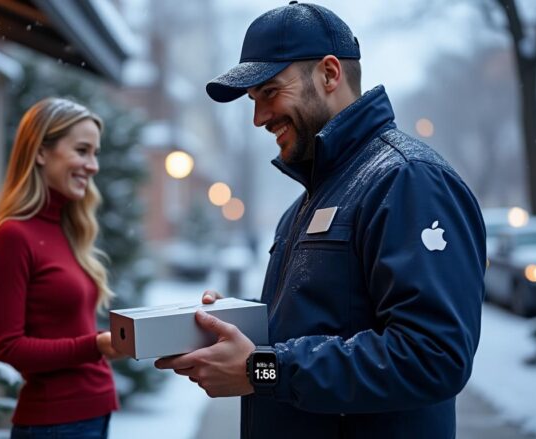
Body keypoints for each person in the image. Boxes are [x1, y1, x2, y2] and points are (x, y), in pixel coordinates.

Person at [155, 3, 486, 438]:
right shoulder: (311, 199)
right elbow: (327, 321)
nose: (258, 118)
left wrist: (261, 369)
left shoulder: (409, 180)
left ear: (330, 74)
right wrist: (241, 329)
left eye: (270, 92)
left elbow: (432, 357)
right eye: (253, 101)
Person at [0, 97, 124, 439]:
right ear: (41, 152)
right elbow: (6, 347)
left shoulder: (68, 228)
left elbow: (65, 326)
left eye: (95, 153)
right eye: (82, 150)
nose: (93, 165)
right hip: (54, 423)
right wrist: (95, 345)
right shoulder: (13, 235)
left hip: (93, 412)